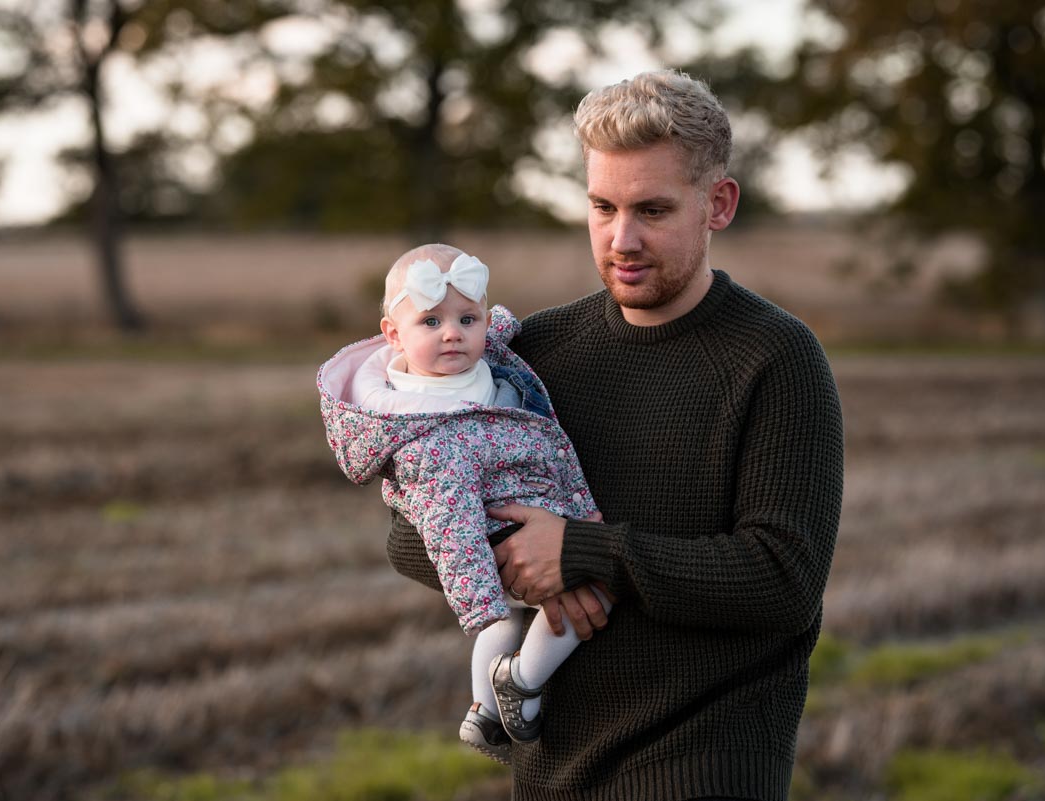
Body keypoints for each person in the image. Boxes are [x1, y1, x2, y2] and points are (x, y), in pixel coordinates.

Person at [385, 70, 844, 801]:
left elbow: (783, 578)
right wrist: (518, 551)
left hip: (707, 768)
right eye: (602, 206)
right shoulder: (532, 356)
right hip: (553, 773)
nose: (621, 239)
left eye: (652, 210)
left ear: (717, 204)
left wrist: (582, 550)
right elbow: (408, 533)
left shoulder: (775, 358)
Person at [316, 243, 614, 765]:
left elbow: (492, 330)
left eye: (466, 318)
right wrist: (480, 597)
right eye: (430, 321)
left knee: (510, 624)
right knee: (592, 589)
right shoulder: (425, 434)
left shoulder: (479, 359)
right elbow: (449, 525)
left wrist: (497, 321)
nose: (453, 332)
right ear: (393, 335)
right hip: (498, 535)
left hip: (539, 506)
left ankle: (483, 711)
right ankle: (521, 682)